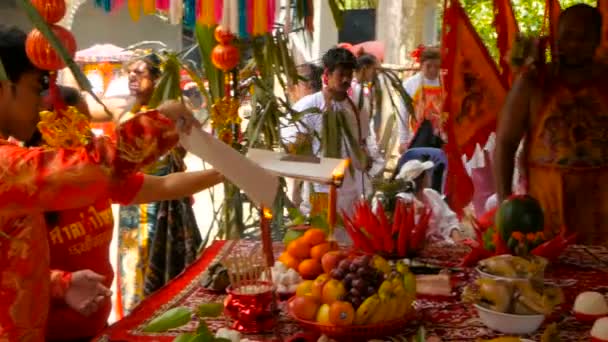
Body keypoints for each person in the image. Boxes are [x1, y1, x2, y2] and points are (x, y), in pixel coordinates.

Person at [0, 25, 194, 341]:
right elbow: (94, 168)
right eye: (37, 87)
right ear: (4, 88)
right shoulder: (7, 166)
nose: (40, 103)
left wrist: (60, 284)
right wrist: (162, 121)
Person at [26, 87, 223, 341]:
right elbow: (16, 276)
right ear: (50, 132)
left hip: (96, 327)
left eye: (88, 125)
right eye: (79, 127)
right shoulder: (28, 192)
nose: (90, 136)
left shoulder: (94, 180)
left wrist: (227, 171)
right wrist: (62, 285)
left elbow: (164, 185)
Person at [494, 4, 608, 245]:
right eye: (568, 36)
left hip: (602, 216)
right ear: (557, 37)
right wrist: (505, 208)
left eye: (584, 37)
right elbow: (505, 144)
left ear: (598, 39)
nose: (574, 45)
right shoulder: (533, 83)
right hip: (544, 217)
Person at [116, 53, 203, 316]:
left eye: (140, 73)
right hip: (133, 206)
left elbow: (191, 142)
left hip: (165, 202)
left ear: (157, 80)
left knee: (166, 270)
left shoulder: (172, 113)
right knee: (133, 271)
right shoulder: (127, 112)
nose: (132, 77)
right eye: (129, 72)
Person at [284, 47, 384, 222]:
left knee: (349, 244)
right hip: (320, 191)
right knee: (321, 241)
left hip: (351, 192)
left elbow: (365, 140)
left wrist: (368, 158)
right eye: (340, 74)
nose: (346, 79)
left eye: (349, 74)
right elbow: (291, 150)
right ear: (327, 74)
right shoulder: (307, 107)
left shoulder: (358, 107)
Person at [395, 159, 464, 243]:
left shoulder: (432, 194)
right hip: (419, 247)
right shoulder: (403, 199)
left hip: (444, 242)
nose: (429, 175)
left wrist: (456, 236)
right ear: (422, 179)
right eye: (427, 173)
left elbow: (450, 218)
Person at [397, 46, 445, 153]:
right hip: (417, 138)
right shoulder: (409, 84)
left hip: (442, 139)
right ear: (421, 65)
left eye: (437, 66)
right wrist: (403, 141)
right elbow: (403, 114)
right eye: (428, 66)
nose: (433, 70)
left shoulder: (446, 82)